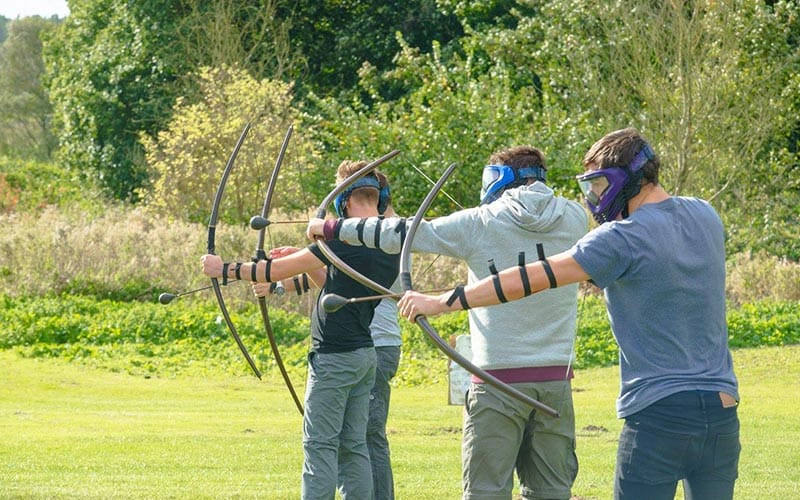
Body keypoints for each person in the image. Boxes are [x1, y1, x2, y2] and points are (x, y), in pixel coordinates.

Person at [395, 129, 741, 500]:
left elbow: (527, 279)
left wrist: (444, 300)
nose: (593, 196)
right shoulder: (705, 214)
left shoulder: (619, 239)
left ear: (623, 179)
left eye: (597, 183)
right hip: (722, 413)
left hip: (658, 415)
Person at [308, 146, 588, 500]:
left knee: (485, 492)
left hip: (496, 381)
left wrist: (331, 227)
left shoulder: (482, 221)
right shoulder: (576, 218)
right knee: (552, 493)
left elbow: (403, 233)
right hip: (556, 382)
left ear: (495, 180)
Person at [202, 161, 400, 499]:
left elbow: (276, 269)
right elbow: (333, 283)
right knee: (353, 446)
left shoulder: (344, 241)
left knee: (320, 445)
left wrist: (224, 269)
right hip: (363, 354)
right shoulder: (388, 244)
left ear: (344, 200)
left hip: (335, 357)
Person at [254, 171, 403, 500]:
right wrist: (281, 281)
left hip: (370, 343)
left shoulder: (384, 233)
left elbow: (338, 278)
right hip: (365, 347)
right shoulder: (357, 236)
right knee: (353, 442)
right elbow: (333, 281)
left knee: (364, 439)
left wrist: (244, 270)